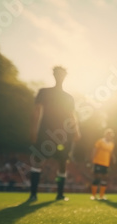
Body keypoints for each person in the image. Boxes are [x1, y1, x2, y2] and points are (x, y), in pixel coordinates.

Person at [27, 66, 80, 202]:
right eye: (57, 73)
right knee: (38, 160)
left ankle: (60, 194)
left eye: (62, 74)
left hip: (63, 134)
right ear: (54, 75)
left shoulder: (68, 97)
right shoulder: (44, 92)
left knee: (62, 162)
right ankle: (33, 194)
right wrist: (33, 130)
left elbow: (71, 115)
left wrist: (76, 130)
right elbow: (36, 111)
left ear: (65, 76)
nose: (59, 76)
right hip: (45, 131)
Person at [90, 129, 116, 200]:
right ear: (106, 135)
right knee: (97, 178)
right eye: (109, 135)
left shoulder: (112, 144)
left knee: (104, 179)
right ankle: (94, 195)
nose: (110, 136)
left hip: (106, 163)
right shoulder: (100, 141)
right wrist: (92, 159)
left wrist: (113, 158)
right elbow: (94, 150)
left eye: (111, 135)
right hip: (98, 162)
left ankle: (101, 196)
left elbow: (111, 153)